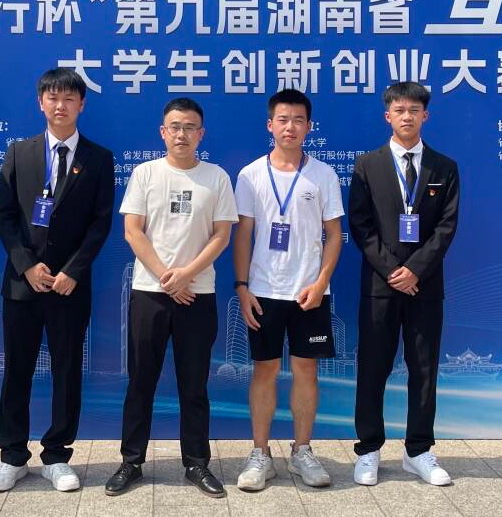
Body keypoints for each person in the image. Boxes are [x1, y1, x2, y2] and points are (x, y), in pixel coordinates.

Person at [0, 68, 115, 493]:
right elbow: (5, 217)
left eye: (69, 98)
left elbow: (100, 224)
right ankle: (11, 456)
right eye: (52, 98)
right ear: (40, 103)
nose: (60, 106)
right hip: (22, 285)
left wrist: (73, 271)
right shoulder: (18, 152)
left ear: (82, 104)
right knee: (17, 370)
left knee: (66, 371)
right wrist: (27, 265)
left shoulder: (99, 158)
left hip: (69, 288)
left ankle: (57, 455)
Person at [105, 98, 236, 499]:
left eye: (190, 127)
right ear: (163, 132)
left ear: (201, 134)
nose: (182, 134)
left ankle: (196, 463)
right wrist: (167, 277)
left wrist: (186, 275)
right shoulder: (145, 173)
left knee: (194, 384)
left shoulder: (216, 177)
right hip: (150, 294)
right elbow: (133, 231)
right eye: (175, 127)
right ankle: (131, 462)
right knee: (140, 381)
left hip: (198, 294)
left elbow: (221, 235)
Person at [347, 81, 460, 487]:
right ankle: (368, 449)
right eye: (400, 110)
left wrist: (415, 271)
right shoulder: (367, 165)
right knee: (372, 368)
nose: (407, 116)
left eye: (414, 110)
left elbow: (446, 227)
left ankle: (419, 450)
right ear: (388, 116)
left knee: (424, 369)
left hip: (424, 287)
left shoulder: (444, 168)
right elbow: (361, 226)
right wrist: (394, 271)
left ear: (425, 115)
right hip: (380, 287)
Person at [232, 89, 344, 492]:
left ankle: (302, 452)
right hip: (263, 290)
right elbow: (243, 235)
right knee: (264, 369)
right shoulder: (250, 175)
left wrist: (321, 282)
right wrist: (242, 287)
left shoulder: (324, 175)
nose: (290, 127)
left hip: (308, 292)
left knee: (305, 370)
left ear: (309, 126)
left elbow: (334, 235)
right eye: (283, 119)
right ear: (270, 125)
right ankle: (260, 454)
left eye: (298, 120)